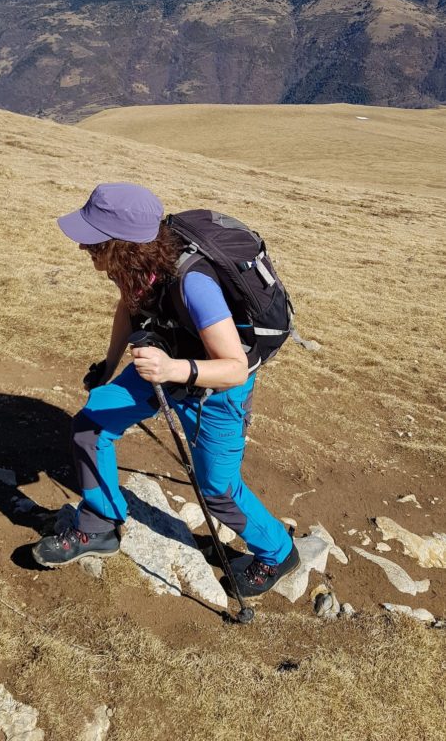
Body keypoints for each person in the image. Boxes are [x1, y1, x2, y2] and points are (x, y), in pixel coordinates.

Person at [33, 183, 300, 597]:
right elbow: (129, 306)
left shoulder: (194, 284)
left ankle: (278, 552)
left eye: (93, 238)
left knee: (218, 491)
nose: (83, 245)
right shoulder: (137, 264)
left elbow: (233, 367)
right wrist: (108, 364)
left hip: (214, 386)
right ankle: (99, 524)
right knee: (91, 425)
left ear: (121, 243)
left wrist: (171, 368)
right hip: (165, 358)